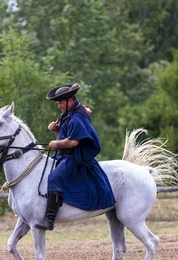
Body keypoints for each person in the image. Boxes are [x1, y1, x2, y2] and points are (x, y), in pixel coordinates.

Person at [34, 83, 116, 231]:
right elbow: (70, 135)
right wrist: (57, 130)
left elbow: (73, 142)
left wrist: (57, 143)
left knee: (53, 178)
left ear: (70, 101)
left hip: (73, 158)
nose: (58, 106)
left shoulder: (77, 117)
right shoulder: (69, 115)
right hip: (64, 156)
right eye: (58, 103)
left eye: (60, 102)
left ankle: (49, 219)